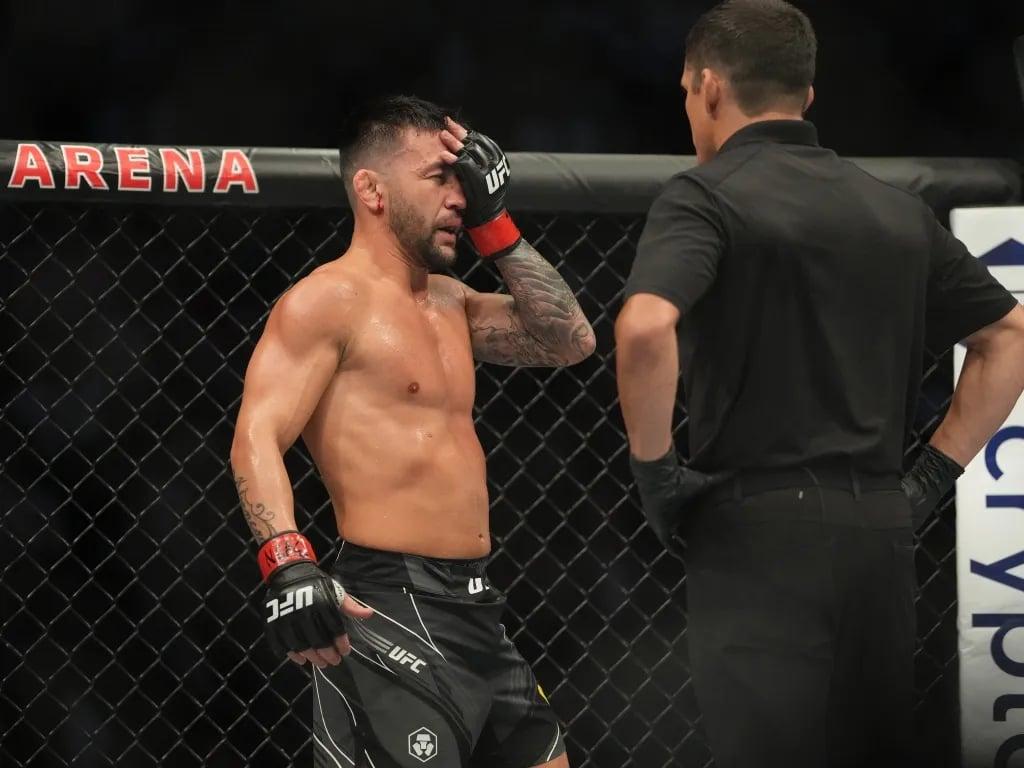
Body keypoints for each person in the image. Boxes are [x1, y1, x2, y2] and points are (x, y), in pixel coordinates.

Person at [613, 2, 1024, 767]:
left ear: (707, 87)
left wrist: (655, 473)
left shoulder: (704, 194)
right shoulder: (893, 208)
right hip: (878, 530)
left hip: (756, 528)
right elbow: (1009, 336)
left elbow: (643, 328)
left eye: (683, 92)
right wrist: (931, 477)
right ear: (806, 95)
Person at [230, 95, 594, 768]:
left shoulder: (454, 303)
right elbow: (257, 432)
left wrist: (497, 225)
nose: (460, 195)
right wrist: (288, 562)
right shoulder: (326, 301)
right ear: (370, 189)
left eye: (466, 180)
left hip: (481, 605)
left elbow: (569, 340)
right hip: (389, 606)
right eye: (438, 177)